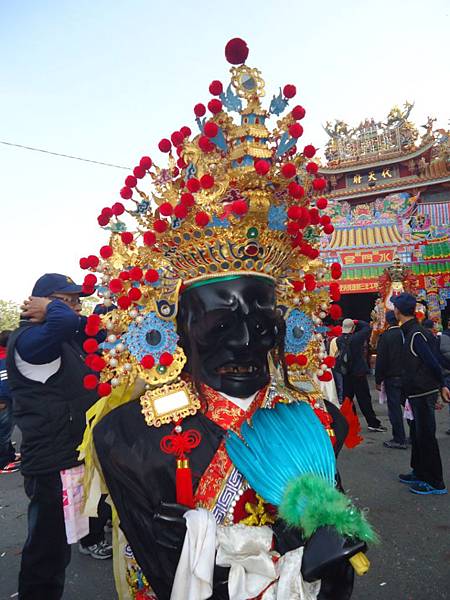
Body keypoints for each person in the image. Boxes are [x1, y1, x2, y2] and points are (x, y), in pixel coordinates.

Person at [80, 39, 377, 600]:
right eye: (221, 319)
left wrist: (319, 550)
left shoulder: (317, 420)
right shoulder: (127, 437)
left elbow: (338, 573)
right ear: (173, 322)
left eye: (263, 317)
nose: (247, 339)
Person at [6, 273, 112, 600]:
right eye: (70, 300)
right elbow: (67, 323)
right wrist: (55, 308)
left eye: (78, 300)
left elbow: (92, 328)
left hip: (69, 456)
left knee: (59, 547)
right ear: (44, 302)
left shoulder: (59, 337)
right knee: (47, 553)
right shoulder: (30, 340)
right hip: (52, 463)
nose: (78, 307)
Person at [392, 292, 450, 495]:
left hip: (423, 393)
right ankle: (419, 471)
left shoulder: (416, 334)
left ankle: (435, 482)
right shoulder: (411, 332)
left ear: (398, 311)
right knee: (416, 435)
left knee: (426, 436)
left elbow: (433, 362)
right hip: (415, 394)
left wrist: (442, 384)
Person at [336, 318, 386, 432]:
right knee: (364, 399)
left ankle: (350, 423)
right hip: (358, 373)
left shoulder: (339, 340)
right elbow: (367, 327)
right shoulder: (356, 338)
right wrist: (358, 321)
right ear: (352, 328)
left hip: (346, 373)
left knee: (347, 398)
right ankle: (372, 422)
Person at [375, 311, 407, 449]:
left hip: (392, 378)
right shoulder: (404, 334)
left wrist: (378, 379)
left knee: (395, 410)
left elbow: (381, 360)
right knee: (409, 407)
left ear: (387, 321)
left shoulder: (386, 337)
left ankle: (399, 438)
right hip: (406, 376)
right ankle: (415, 435)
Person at [0, 330, 21, 473]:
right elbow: (4, 382)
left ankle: (10, 455)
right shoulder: (4, 359)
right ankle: (3, 462)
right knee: (4, 431)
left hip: (7, 398)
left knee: (7, 429)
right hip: (4, 400)